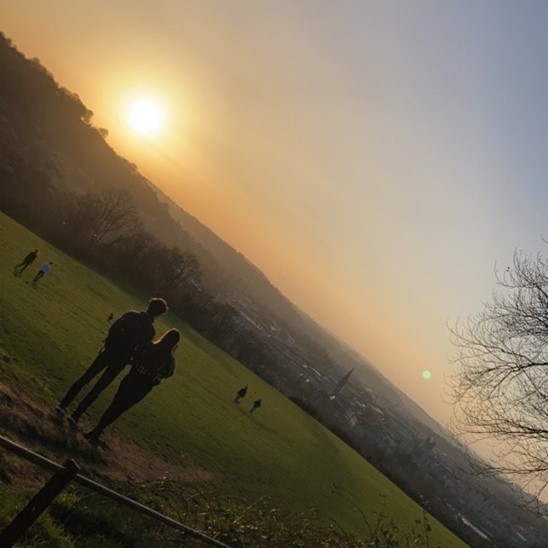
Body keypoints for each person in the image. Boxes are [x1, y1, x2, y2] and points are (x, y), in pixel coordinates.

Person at [56, 297, 168, 424]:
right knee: (99, 388)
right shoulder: (150, 331)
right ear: (158, 314)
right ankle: (76, 415)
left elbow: (114, 327)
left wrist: (110, 343)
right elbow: (141, 350)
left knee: (86, 377)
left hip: (109, 351)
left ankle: (63, 404)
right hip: (121, 360)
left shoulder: (131, 314)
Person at [84, 329, 180, 445]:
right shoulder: (169, 359)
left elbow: (136, 358)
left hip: (131, 378)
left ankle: (97, 430)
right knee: (120, 409)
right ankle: (97, 431)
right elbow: (168, 373)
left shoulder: (149, 347)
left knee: (115, 404)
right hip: (143, 386)